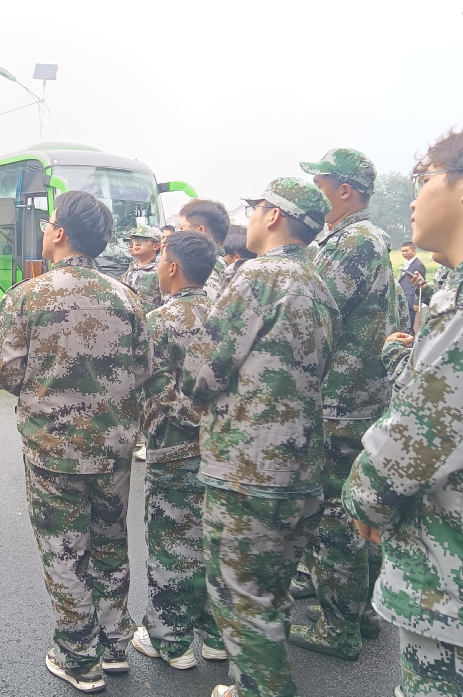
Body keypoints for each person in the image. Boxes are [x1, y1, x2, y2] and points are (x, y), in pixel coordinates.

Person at [0, 190, 151, 694]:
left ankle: (78, 656)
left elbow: (4, 370)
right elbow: (144, 370)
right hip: (114, 450)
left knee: (64, 549)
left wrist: (46, 389)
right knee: (110, 540)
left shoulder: (28, 297)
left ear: (58, 233)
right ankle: (114, 645)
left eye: (48, 222)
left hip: (53, 450)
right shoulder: (127, 297)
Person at [182, 178, 340, 697]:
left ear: (274, 216)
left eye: (254, 208)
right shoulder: (319, 284)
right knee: (270, 591)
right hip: (301, 466)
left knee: (240, 598)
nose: (248, 217)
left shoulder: (257, 276)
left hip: (247, 468)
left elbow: (204, 370)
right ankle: (247, 683)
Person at [343, 122, 463, 697]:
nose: (414, 198)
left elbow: (409, 444)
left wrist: (364, 501)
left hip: (454, 591)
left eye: (424, 179)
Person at [285, 148, 402, 659]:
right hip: (354, 396)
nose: (314, 191)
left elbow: (313, 307)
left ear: (345, 190)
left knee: (334, 513)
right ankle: (361, 611)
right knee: (349, 507)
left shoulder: (353, 240)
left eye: (321, 182)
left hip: (340, 399)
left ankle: (339, 627)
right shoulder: (364, 237)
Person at [131, 231, 227, 670]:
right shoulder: (227, 314)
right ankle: (217, 636)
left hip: (173, 449)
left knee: (172, 544)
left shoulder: (159, 321)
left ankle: (170, 640)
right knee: (214, 542)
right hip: (222, 450)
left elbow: (139, 381)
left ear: (171, 267)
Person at [178, 200, 230, 302]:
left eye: (181, 228)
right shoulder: (222, 266)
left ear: (201, 231)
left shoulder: (205, 274)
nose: (178, 234)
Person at [119, 225, 163, 315]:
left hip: (151, 321)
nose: (135, 244)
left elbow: (167, 302)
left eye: (141, 240)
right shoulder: (130, 270)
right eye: (134, 241)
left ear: (156, 246)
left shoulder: (161, 271)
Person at [398, 241, 427, 332]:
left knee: (409, 324)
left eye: (406, 251)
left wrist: (416, 302)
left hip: (411, 299)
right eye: (402, 251)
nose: (404, 253)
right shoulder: (408, 264)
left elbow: (420, 284)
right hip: (405, 298)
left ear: (414, 251)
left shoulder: (418, 265)